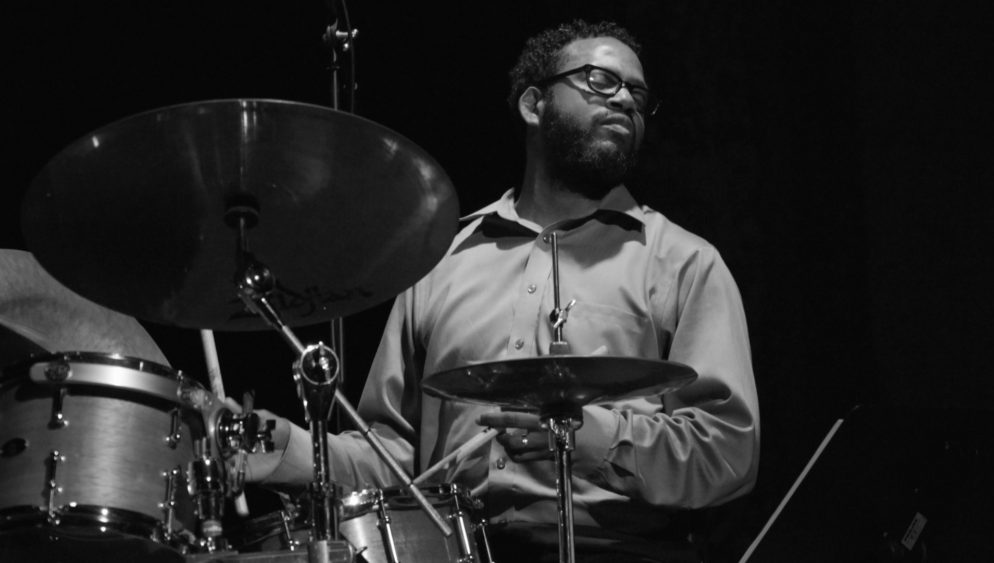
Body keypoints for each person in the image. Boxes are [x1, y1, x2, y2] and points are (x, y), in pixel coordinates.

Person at [247, 19, 759, 562]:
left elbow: (728, 451)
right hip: (457, 548)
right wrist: (287, 450)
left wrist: (590, 439)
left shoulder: (684, 263)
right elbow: (395, 461)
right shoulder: (442, 261)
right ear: (534, 104)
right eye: (601, 81)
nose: (626, 100)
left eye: (638, 93)